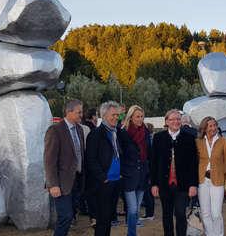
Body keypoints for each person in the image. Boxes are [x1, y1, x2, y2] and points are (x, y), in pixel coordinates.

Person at [151, 109, 199, 236]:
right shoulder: (158, 137)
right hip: (164, 184)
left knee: (180, 213)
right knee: (166, 215)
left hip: (183, 185)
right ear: (166, 121)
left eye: (178, 119)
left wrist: (193, 184)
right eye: (172, 119)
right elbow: (154, 163)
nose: (175, 122)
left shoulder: (189, 138)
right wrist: (154, 184)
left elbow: (194, 163)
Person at [44, 99, 86, 236]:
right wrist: (53, 184)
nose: (82, 115)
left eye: (82, 112)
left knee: (70, 216)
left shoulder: (79, 129)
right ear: (69, 112)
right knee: (65, 216)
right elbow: (49, 161)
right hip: (61, 183)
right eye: (79, 112)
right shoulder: (55, 130)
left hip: (77, 181)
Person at [86, 101, 123, 236]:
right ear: (104, 115)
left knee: (108, 219)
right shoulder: (96, 134)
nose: (116, 117)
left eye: (117, 115)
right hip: (103, 184)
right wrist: (103, 177)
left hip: (115, 182)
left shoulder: (116, 132)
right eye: (113, 115)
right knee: (102, 220)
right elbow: (91, 159)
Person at [196, 116, 226, 236]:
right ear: (204, 128)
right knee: (205, 213)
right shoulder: (198, 142)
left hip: (218, 181)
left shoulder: (223, 141)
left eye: (215, 125)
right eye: (210, 126)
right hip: (202, 181)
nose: (213, 128)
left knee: (216, 213)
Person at [120, 105, 152, 236]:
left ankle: (132, 232)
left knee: (137, 208)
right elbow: (121, 154)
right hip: (129, 175)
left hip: (143, 175)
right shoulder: (123, 133)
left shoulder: (145, 132)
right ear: (131, 117)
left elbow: (149, 153)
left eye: (141, 116)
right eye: (137, 116)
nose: (140, 119)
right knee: (132, 208)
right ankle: (131, 234)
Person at [140, 123, 155, 221]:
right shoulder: (148, 137)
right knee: (148, 191)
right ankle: (150, 213)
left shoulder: (145, 137)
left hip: (146, 166)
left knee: (147, 191)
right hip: (148, 166)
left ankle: (150, 213)